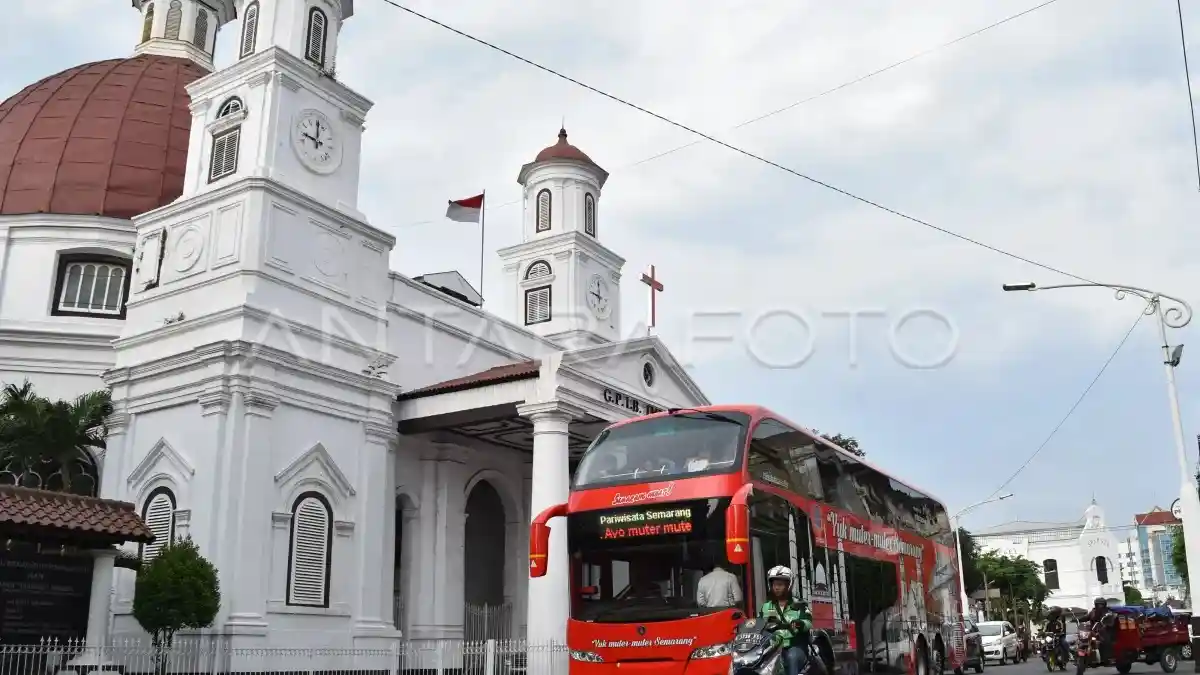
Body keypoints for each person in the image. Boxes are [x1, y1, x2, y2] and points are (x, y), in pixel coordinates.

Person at [760, 566, 814, 675]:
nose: (776, 588)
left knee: (791, 657)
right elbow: (758, 624)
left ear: (788, 585)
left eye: (780, 585)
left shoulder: (799, 604)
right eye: (774, 584)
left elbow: (808, 622)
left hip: (795, 646)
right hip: (772, 648)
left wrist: (799, 624)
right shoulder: (766, 606)